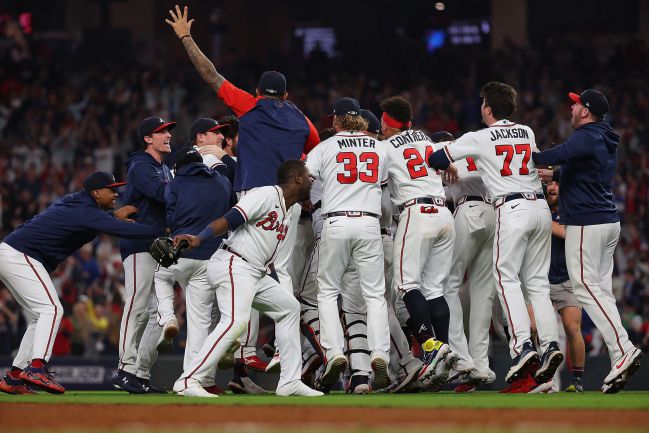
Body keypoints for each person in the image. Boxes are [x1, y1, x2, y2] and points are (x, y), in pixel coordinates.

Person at [428, 81, 564, 386]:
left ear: (488, 108)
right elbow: (537, 161)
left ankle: (522, 348)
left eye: (482, 103)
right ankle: (550, 344)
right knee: (537, 285)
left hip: (509, 208)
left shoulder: (480, 136)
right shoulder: (527, 131)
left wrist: (449, 162)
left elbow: (435, 158)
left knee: (505, 279)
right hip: (539, 208)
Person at [0, 171, 164, 395]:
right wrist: (162, 230)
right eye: (111, 189)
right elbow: (122, 230)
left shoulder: (82, 206)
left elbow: (93, 220)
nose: (116, 193)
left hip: (14, 253)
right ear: (96, 193)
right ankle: (36, 368)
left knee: (42, 315)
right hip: (20, 255)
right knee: (52, 309)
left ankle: (15, 377)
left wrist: (113, 216)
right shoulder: (85, 209)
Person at [171, 160, 322, 397]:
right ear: (297, 178)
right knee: (234, 322)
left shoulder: (291, 209)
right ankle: (188, 380)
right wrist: (200, 238)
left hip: (254, 271)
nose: (312, 181)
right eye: (309, 177)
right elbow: (230, 218)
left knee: (289, 308)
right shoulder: (264, 194)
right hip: (234, 262)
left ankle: (289, 381)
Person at [534, 89, 643, 393]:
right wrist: (554, 171)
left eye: (576, 103)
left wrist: (528, 156)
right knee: (602, 293)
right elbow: (577, 166)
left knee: (583, 286)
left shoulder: (587, 134)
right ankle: (620, 354)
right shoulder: (602, 136)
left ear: (586, 111)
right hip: (607, 223)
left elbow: (549, 155)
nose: (572, 107)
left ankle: (624, 348)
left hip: (586, 223)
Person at [305, 97, 391, 391]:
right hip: (369, 223)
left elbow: (305, 180)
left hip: (336, 221)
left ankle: (335, 353)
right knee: (375, 295)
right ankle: (379, 353)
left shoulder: (325, 147)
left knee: (327, 292)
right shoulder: (380, 148)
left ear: (338, 120)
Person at [380, 96, 457, 386]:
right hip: (443, 214)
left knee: (407, 285)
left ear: (388, 123)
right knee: (435, 289)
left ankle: (430, 347)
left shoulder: (386, 148)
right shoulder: (425, 140)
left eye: (384, 122)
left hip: (416, 212)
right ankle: (444, 351)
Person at [153, 147, 239, 395]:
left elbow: (169, 218)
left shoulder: (175, 182)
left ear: (179, 166)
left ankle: (168, 317)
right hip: (211, 257)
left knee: (160, 276)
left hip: (182, 251)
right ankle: (195, 379)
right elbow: (231, 213)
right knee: (200, 323)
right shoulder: (222, 181)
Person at [113, 116, 174, 394]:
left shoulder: (165, 169)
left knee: (154, 313)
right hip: (138, 243)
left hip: (157, 244)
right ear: (148, 138)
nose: (168, 135)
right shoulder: (140, 166)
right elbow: (163, 195)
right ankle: (124, 368)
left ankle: (139, 374)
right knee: (137, 305)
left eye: (168, 131)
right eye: (161, 132)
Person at [440, 128, 498, 392]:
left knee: (447, 285)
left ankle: (462, 359)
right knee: (482, 292)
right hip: (493, 214)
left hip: (469, 210)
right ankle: (481, 365)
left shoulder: (446, 156)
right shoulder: (476, 152)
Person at [544, 180, 586, 392]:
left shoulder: (573, 210)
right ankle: (544, 380)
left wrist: (546, 223)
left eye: (556, 184)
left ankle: (577, 381)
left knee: (572, 328)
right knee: (540, 330)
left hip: (567, 280)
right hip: (541, 282)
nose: (551, 188)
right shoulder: (539, 207)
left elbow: (570, 235)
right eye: (548, 184)